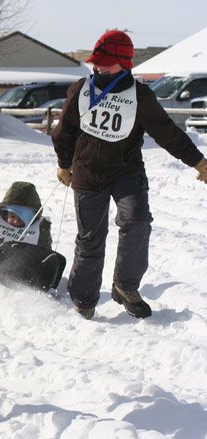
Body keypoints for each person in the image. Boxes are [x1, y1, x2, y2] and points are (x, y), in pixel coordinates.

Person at [52, 30, 207, 320]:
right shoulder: (81, 89)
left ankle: (126, 287)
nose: (99, 67)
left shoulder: (140, 97)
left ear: (124, 62)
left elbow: (167, 133)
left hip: (127, 172)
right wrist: (64, 163)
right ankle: (84, 300)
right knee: (90, 238)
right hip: (87, 173)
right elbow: (64, 131)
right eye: (97, 62)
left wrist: (198, 162)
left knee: (137, 222)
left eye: (106, 63)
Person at [0, 181, 52, 262]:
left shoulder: (40, 231)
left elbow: (45, 256)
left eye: (22, 218)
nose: (15, 221)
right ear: (6, 214)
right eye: (12, 216)